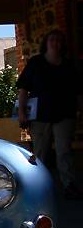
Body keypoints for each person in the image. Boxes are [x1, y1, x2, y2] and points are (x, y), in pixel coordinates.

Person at [17, 29, 83, 198]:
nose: (55, 43)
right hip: (40, 117)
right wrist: (22, 113)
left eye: (59, 40)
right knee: (40, 153)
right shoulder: (35, 63)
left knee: (64, 152)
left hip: (65, 115)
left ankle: (68, 184)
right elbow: (23, 89)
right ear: (46, 43)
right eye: (52, 40)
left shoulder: (68, 65)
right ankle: (38, 187)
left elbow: (78, 92)